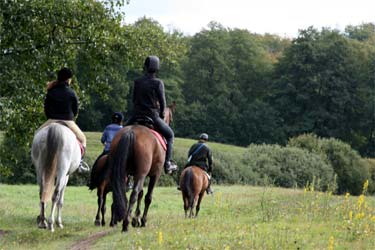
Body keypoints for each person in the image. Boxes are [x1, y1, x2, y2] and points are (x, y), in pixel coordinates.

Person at [124, 55, 177, 175]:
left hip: (136, 115)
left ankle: (109, 155)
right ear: (157, 68)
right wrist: (162, 115)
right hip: (152, 116)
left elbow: (134, 99)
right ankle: (168, 163)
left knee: (120, 132)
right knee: (170, 135)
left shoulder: (137, 81)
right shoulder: (158, 83)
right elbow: (163, 103)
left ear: (145, 67)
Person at [39, 67, 89, 172]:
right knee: (83, 139)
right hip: (68, 121)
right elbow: (75, 110)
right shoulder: (72, 93)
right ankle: (80, 163)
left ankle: (36, 158)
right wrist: (70, 118)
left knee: (37, 134)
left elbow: (46, 109)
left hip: (52, 120)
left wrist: (51, 118)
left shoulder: (51, 92)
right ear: (68, 79)